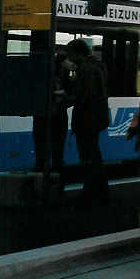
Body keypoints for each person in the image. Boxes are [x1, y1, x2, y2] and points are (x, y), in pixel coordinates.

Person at [65, 39, 110, 207]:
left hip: (86, 119)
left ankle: (89, 194)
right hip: (97, 118)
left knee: (88, 157)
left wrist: (66, 97)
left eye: (71, 54)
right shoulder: (98, 66)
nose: (70, 58)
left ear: (78, 53)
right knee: (94, 156)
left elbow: (84, 96)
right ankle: (101, 193)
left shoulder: (86, 69)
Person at [32, 52, 71, 176]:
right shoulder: (64, 76)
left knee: (41, 152)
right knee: (57, 153)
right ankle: (55, 183)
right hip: (58, 117)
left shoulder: (42, 75)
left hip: (43, 116)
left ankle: (41, 179)